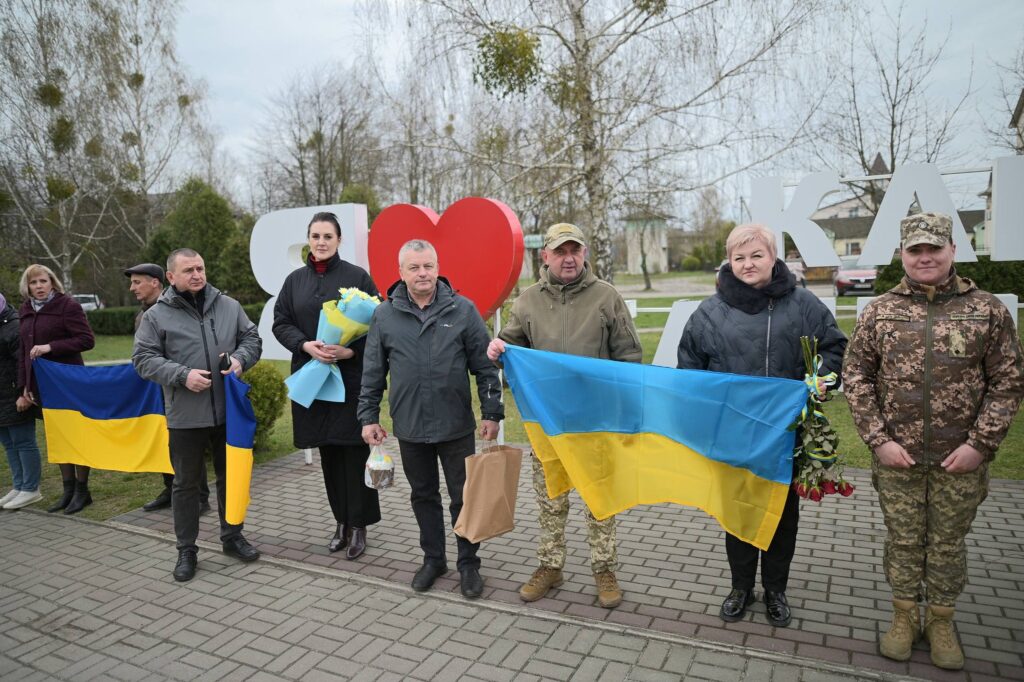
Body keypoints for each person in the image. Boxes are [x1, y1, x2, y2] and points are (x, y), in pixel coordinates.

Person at [843, 212, 1024, 670]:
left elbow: (1007, 382)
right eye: (915, 250)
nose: (925, 257)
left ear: (952, 252)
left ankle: (941, 620)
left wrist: (980, 445)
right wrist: (878, 440)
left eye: (933, 249)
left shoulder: (987, 310)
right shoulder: (880, 311)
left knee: (946, 544)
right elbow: (857, 377)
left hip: (958, 461)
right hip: (897, 459)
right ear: (902, 254)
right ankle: (904, 616)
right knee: (903, 541)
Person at [677, 223, 846, 628]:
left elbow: (834, 348)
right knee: (737, 515)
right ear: (729, 262)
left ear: (773, 258)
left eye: (757, 255)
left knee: (782, 517)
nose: (748, 264)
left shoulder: (803, 305)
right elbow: (690, 372)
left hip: (784, 437)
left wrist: (821, 378)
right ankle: (740, 587)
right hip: (732, 438)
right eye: (739, 257)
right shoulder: (709, 313)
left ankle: (775, 590)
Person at [487, 222, 642, 609]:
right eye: (560, 251)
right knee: (551, 500)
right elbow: (511, 347)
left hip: (596, 422)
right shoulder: (526, 302)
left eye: (574, 250)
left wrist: (626, 414)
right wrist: (498, 349)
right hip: (549, 425)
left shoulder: (607, 298)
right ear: (546, 257)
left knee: (598, 500)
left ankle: (604, 569)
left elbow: (629, 356)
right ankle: (550, 566)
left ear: (584, 253)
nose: (568, 258)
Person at [358, 239, 503, 599]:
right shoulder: (384, 315)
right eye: (414, 267)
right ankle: (433, 559)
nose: (422, 273)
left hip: (456, 425)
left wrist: (492, 412)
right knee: (423, 495)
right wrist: (368, 417)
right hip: (409, 425)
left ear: (437, 267)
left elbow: (485, 368)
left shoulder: (463, 309)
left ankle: (468, 564)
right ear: (401, 272)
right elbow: (373, 371)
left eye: (428, 266)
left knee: (463, 497)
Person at [133, 248, 263, 582]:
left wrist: (240, 360)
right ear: (171, 277)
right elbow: (143, 359)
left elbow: (251, 337)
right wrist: (181, 375)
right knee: (186, 485)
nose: (197, 274)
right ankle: (186, 549)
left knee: (230, 477)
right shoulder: (155, 316)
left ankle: (232, 536)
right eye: (189, 270)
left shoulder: (228, 305)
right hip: (185, 415)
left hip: (228, 413)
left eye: (201, 268)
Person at [273, 212, 381, 559]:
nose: (321, 242)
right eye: (315, 236)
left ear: (339, 240)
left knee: (354, 451)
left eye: (327, 236)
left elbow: (377, 328)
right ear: (309, 239)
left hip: (349, 380)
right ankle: (341, 522)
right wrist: (305, 345)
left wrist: (349, 349)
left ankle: (360, 524)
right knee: (328, 453)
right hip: (312, 378)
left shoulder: (357, 277)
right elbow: (281, 323)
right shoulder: (294, 281)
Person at [125, 263, 210, 515]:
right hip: (157, 390)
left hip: (182, 390)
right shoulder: (144, 314)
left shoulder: (176, 308)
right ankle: (171, 486)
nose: (132, 288)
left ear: (156, 282)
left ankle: (200, 497)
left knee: (189, 444)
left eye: (137, 282)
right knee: (166, 442)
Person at [17, 264, 96, 514]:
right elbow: (23, 353)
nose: (39, 287)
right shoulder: (26, 310)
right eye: (33, 283)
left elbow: (86, 340)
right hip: (44, 386)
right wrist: (25, 386)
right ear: (27, 287)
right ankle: (68, 490)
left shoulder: (68, 306)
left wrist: (50, 346)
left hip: (70, 383)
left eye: (43, 281)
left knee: (76, 436)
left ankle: (83, 491)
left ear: (52, 282)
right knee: (59, 438)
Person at [1, 291, 44, 510]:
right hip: (1, 397)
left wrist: (24, 392)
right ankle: (18, 485)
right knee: (9, 444)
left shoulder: (14, 327)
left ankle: (31, 488)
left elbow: (25, 364)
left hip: (15, 395)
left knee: (24, 442)